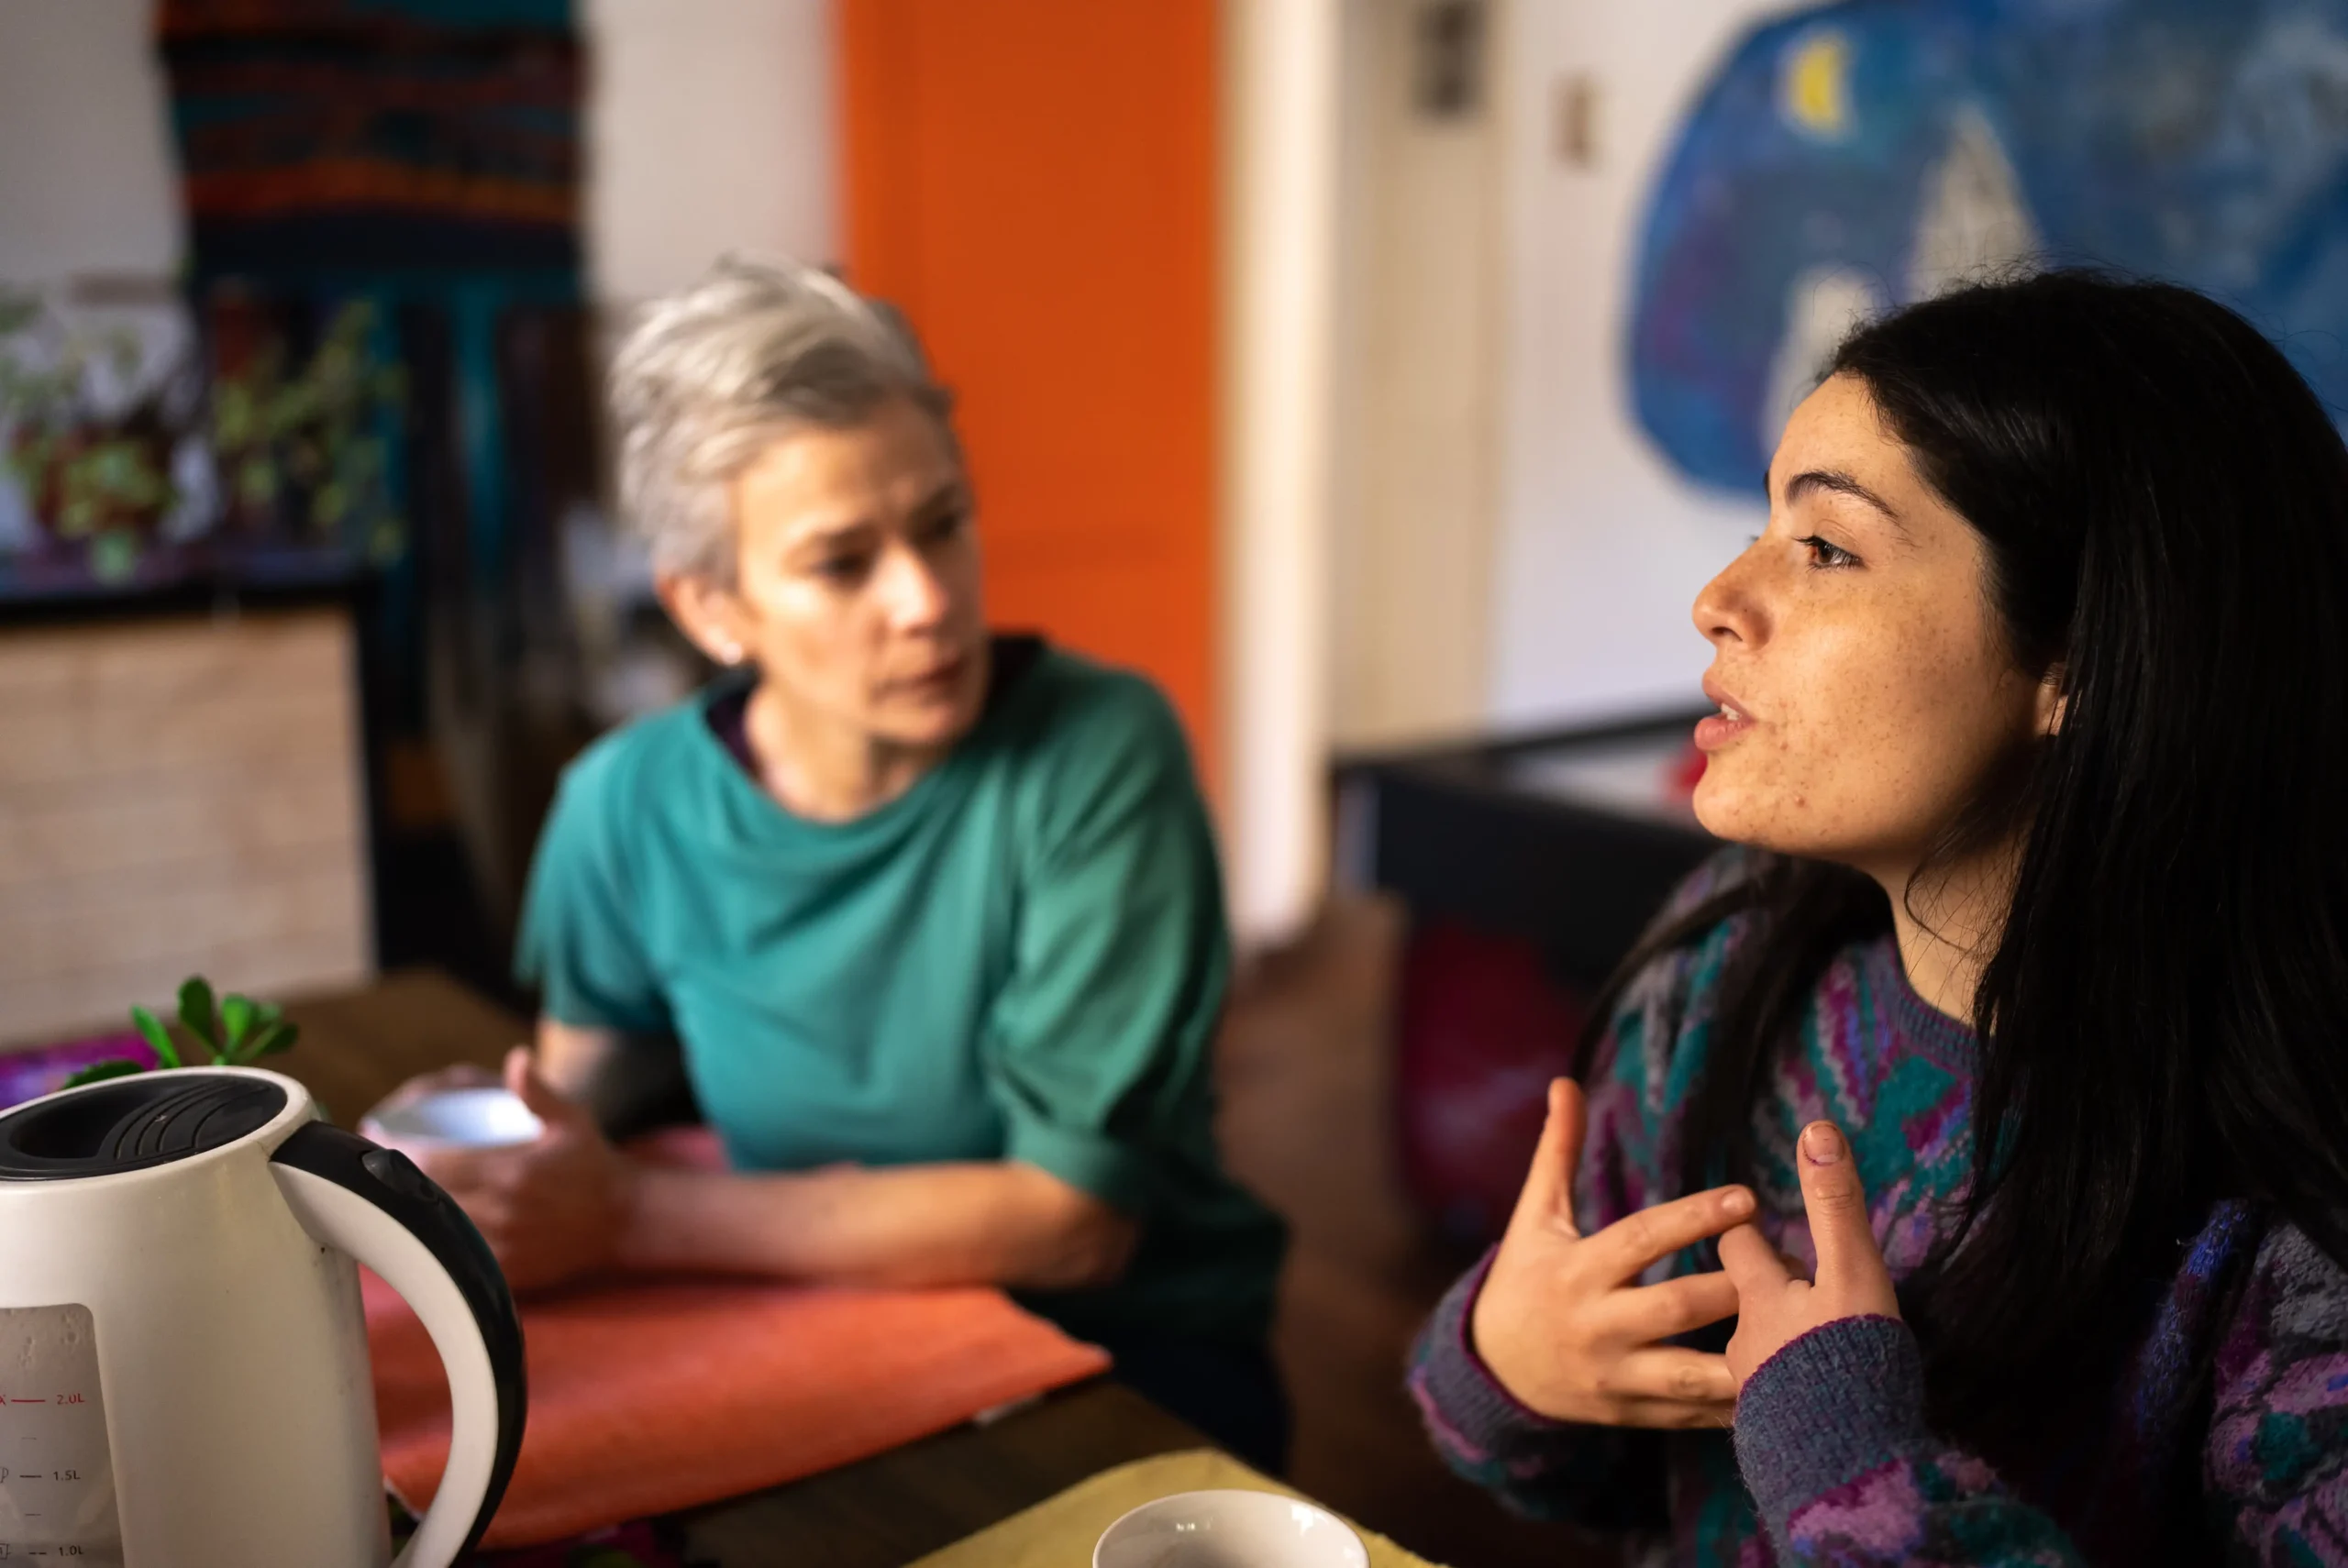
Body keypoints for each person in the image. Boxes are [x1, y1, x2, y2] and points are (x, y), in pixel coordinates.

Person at [1408, 271, 2348, 1563]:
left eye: (1828, 547)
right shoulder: (1723, 963)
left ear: (2080, 656)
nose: (1720, 599)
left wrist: (1854, 1469)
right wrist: (1503, 1365)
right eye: (1764, 525)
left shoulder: (2293, 1196)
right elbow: (1610, 1479)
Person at [378, 256, 1289, 1471]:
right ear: (713, 609)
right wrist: (481, 1163)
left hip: (1127, 1368)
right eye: (842, 561)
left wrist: (629, 1214)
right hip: (807, 1318)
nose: (925, 599)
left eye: (944, 524)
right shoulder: (626, 803)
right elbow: (574, 1093)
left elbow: (1075, 1224)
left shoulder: (1100, 756)